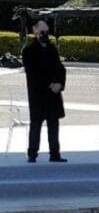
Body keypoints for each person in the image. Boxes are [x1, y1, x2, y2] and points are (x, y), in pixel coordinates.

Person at [22, 20, 67, 163]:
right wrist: (50, 84)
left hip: (53, 94)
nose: (45, 35)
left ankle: (55, 154)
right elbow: (33, 73)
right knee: (36, 124)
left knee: (54, 124)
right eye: (42, 32)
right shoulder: (28, 51)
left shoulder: (52, 49)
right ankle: (32, 153)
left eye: (47, 32)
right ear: (35, 32)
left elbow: (60, 68)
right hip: (38, 94)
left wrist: (60, 83)